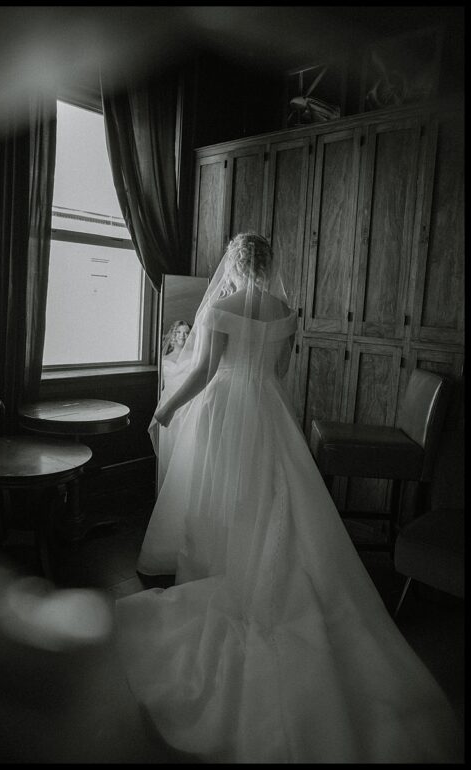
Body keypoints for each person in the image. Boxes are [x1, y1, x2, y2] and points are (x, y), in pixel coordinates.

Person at [116, 233, 461, 762]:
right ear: (271, 265)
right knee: (268, 498)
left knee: (221, 497)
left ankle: (223, 569)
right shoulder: (287, 312)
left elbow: (206, 372)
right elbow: (277, 373)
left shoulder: (225, 307)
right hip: (268, 412)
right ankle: (259, 568)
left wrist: (164, 408)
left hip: (227, 409)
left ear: (233, 264)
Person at [154, 320, 191, 487]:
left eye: (187, 332)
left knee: (186, 449)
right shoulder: (164, 359)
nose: (183, 336)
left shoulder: (195, 356)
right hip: (168, 401)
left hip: (188, 405)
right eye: (179, 332)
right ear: (173, 336)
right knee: (170, 446)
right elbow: (161, 385)